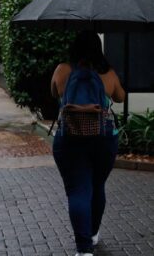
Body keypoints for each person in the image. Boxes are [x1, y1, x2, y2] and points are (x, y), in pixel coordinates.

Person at [51, 31, 125, 256]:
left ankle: (84, 250)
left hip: (70, 137)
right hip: (103, 138)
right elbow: (120, 97)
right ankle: (92, 234)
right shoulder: (107, 73)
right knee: (97, 185)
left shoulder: (63, 69)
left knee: (77, 190)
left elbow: (54, 93)